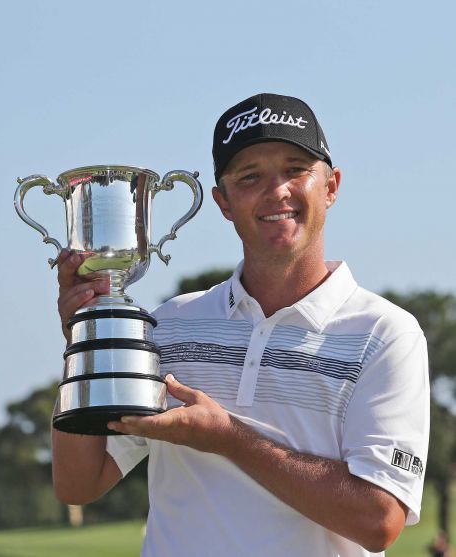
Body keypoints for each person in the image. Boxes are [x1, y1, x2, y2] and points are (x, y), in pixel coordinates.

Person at [52, 93, 430, 557]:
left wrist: (229, 438)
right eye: (250, 177)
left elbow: (378, 519)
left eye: (295, 170)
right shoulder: (169, 325)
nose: (277, 191)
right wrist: (85, 341)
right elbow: (79, 483)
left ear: (331, 186)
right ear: (223, 202)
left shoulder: (386, 334)